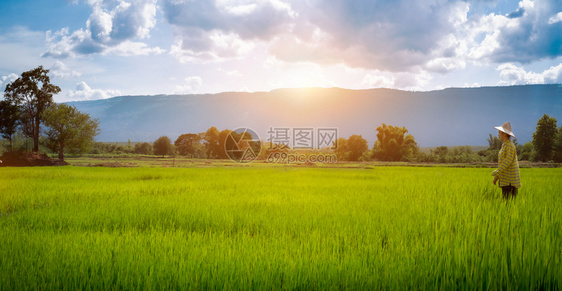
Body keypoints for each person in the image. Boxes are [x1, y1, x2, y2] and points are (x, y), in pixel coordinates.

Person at [491, 122, 521, 200]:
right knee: (506, 204)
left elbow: (508, 161)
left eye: (499, 133)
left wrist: (497, 172)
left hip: (510, 181)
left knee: (509, 204)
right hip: (505, 180)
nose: (498, 135)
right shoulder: (504, 145)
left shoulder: (510, 146)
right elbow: (502, 163)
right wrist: (496, 177)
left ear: (504, 134)